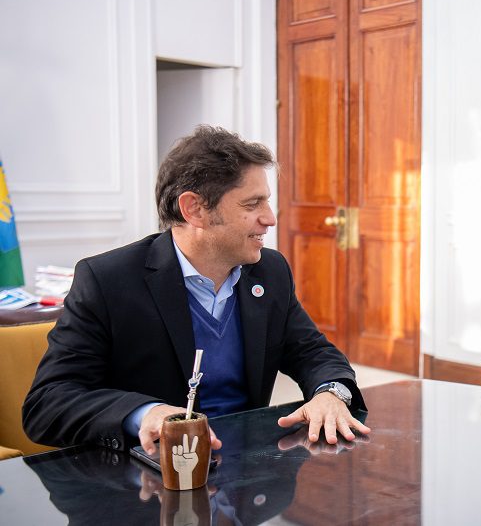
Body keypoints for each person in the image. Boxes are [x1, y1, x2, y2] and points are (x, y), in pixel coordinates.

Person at [23, 125, 371, 455]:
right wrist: (146, 413)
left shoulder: (270, 271)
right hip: (148, 488)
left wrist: (331, 393)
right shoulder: (107, 280)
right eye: (252, 205)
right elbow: (48, 403)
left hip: (247, 483)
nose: (270, 218)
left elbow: (313, 352)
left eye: (266, 202)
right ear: (194, 209)